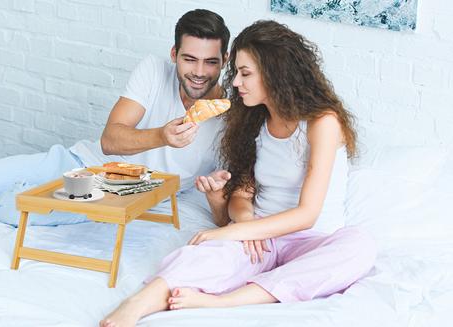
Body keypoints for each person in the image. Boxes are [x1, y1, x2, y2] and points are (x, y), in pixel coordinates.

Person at [100, 20, 377, 327]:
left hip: (313, 241)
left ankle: (222, 302)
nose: (235, 83)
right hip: (259, 237)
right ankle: (137, 304)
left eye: (246, 74)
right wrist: (244, 220)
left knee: (359, 247)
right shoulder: (252, 122)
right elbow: (241, 195)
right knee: (201, 255)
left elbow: (307, 214)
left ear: (275, 73)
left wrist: (232, 231)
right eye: (237, 73)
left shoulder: (322, 122)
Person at [0, 9, 232, 227]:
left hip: (123, 194)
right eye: (189, 59)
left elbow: (223, 210)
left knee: (11, 208)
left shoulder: (232, 117)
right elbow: (110, 139)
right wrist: (161, 136)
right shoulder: (154, 70)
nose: (199, 72)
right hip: (79, 162)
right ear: (173, 54)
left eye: (210, 62)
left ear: (225, 61)